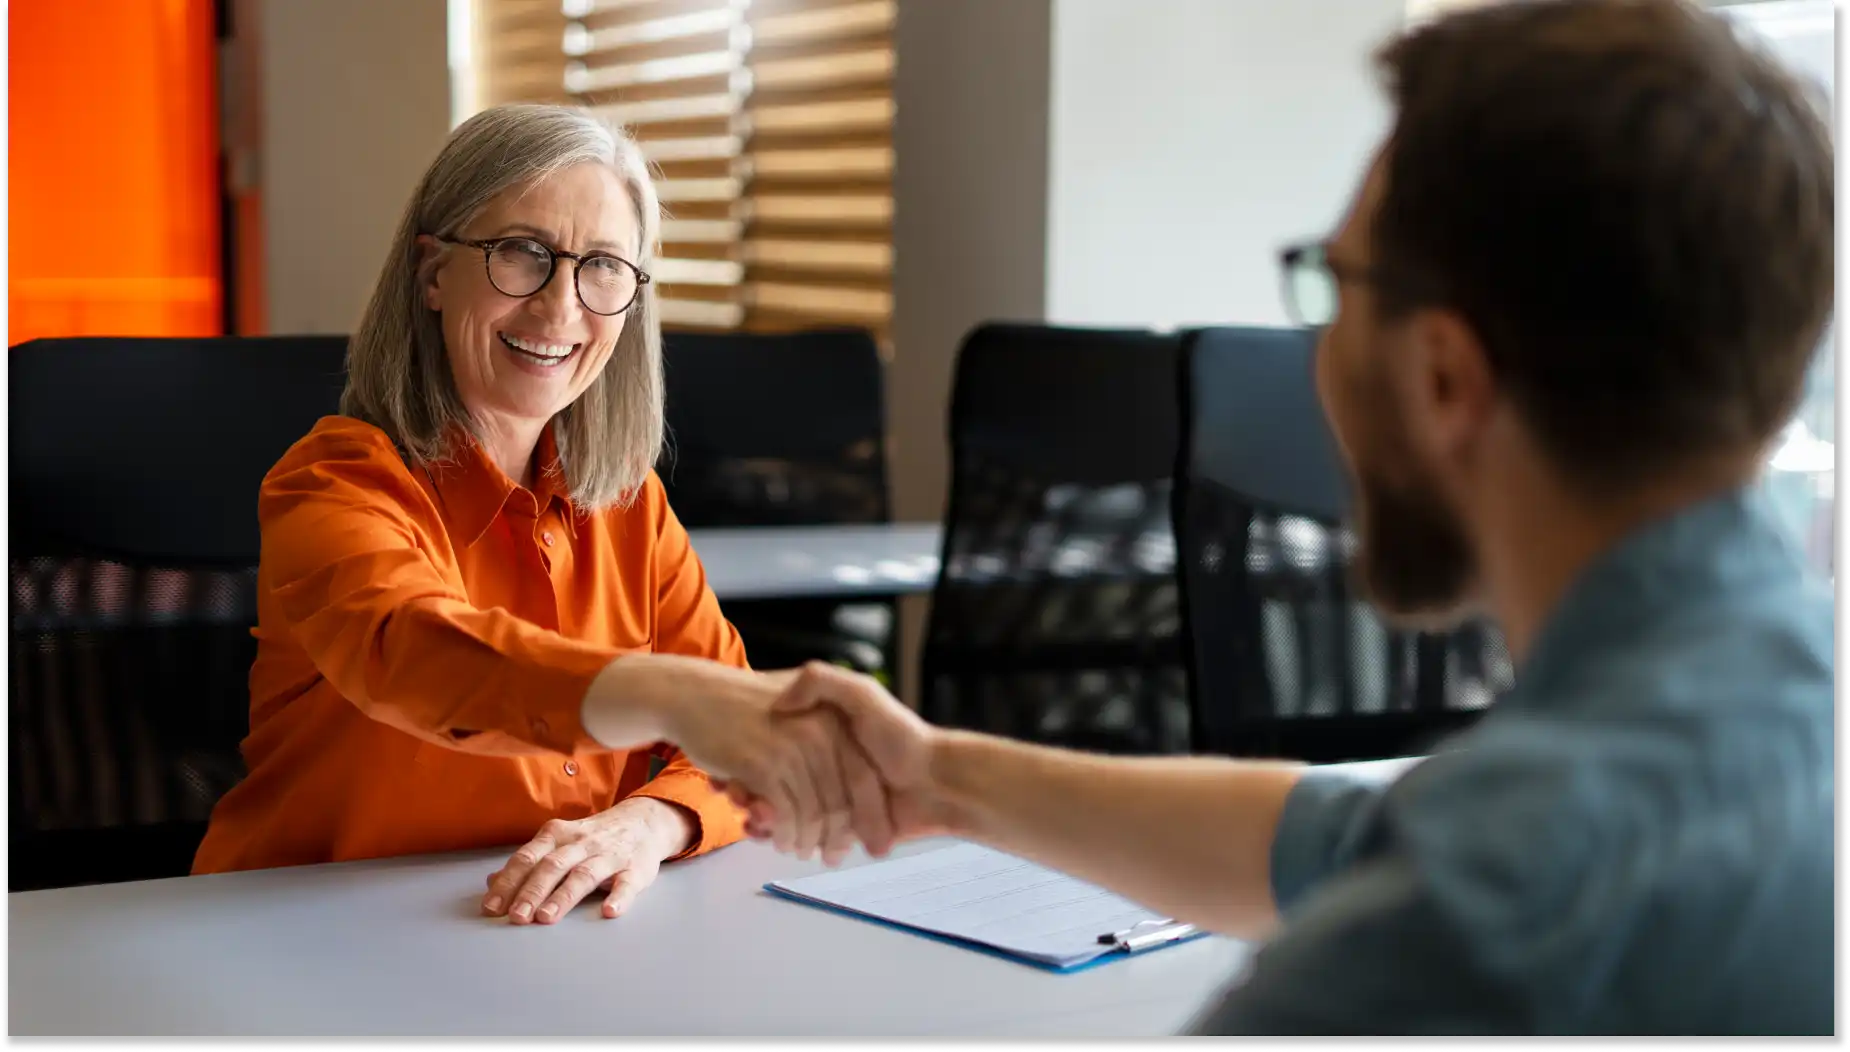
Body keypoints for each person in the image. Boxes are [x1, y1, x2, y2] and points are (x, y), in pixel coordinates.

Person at [731, 0, 1835, 1035]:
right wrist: (942, 777)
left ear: (1443, 378)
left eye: (1331, 284)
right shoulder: (1744, 698)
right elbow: (1337, 837)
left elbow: (1439, 871)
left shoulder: (1465, 932)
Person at [194, 104, 885, 925]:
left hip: (550, 939)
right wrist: (670, 695)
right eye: (521, 253)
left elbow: (738, 751)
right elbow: (414, 654)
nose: (562, 307)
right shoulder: (333, 484)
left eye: (602, 266)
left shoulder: (631, 506)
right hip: (308, 936)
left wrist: (651, 822)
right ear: (433, 274)